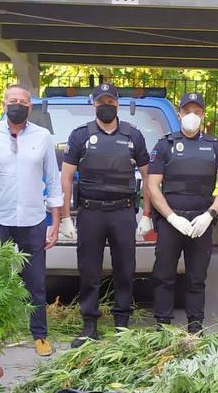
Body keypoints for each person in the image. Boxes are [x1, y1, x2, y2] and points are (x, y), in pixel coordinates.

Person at [0, 84, 64, 357]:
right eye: (13, 101)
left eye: (23, 101)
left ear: (30, 107)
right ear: (3, 104)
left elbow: (53, 181)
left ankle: (40, 335)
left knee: (36, 283)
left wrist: (55, 222)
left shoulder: (43, 136)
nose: (17, 105)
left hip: (33, 220)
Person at [59, 82, 151, 347]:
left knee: (125, 270)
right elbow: (66, 178)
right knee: (89, 271)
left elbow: (149, 178)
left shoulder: (133, 135)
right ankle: (90, 326)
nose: (106, 107)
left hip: (123, 212)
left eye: (111, 102)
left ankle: (122, 324)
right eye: (102, 102)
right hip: (91, 213)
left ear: (118, 104)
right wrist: (66, 217)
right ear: (94, 104)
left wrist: (146, 213)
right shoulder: (80, 136)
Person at [145, 92, 218, 333]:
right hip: (170, 221)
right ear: (180, 114)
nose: (191, 116)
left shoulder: (215, 146)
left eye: (197, 112)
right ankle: (162, 329)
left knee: (196, 279)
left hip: (200, 221)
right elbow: (152, 185)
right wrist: (171, 216)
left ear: (203, 115)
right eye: (187, 111)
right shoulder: (165, 144)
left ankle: (195, 329)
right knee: (164, 276)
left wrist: (211, 214)